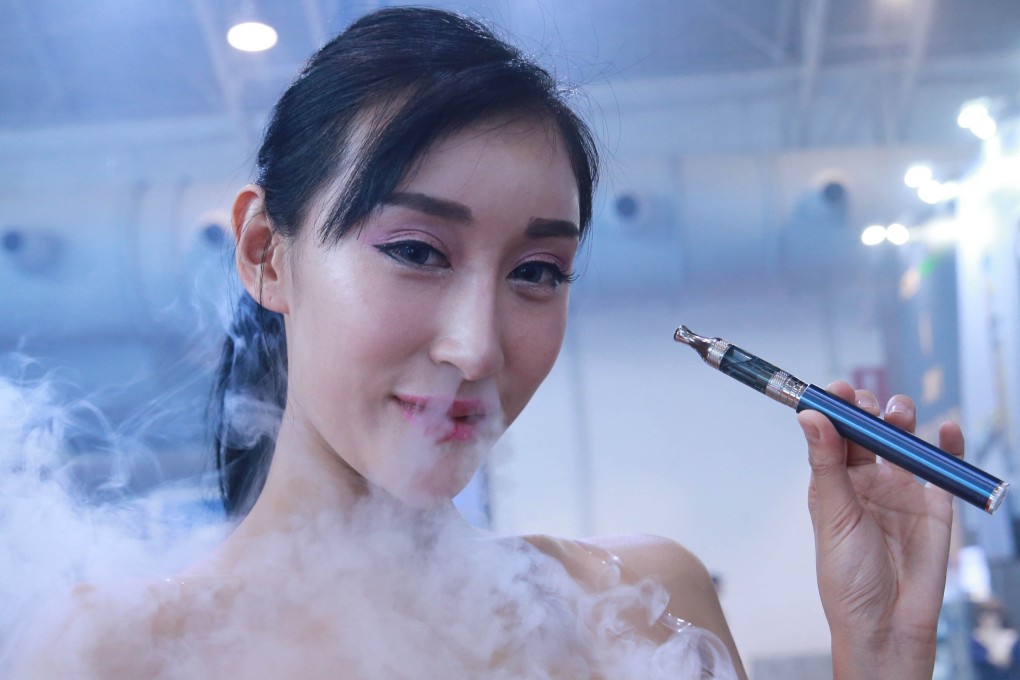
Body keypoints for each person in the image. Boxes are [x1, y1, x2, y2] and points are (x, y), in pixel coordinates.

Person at [14, 7, 965, 679]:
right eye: (418, 250)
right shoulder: (118, 656)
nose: (477, 349)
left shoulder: (644, 603)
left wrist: (878, 657)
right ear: (267, 253)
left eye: (537, 272)